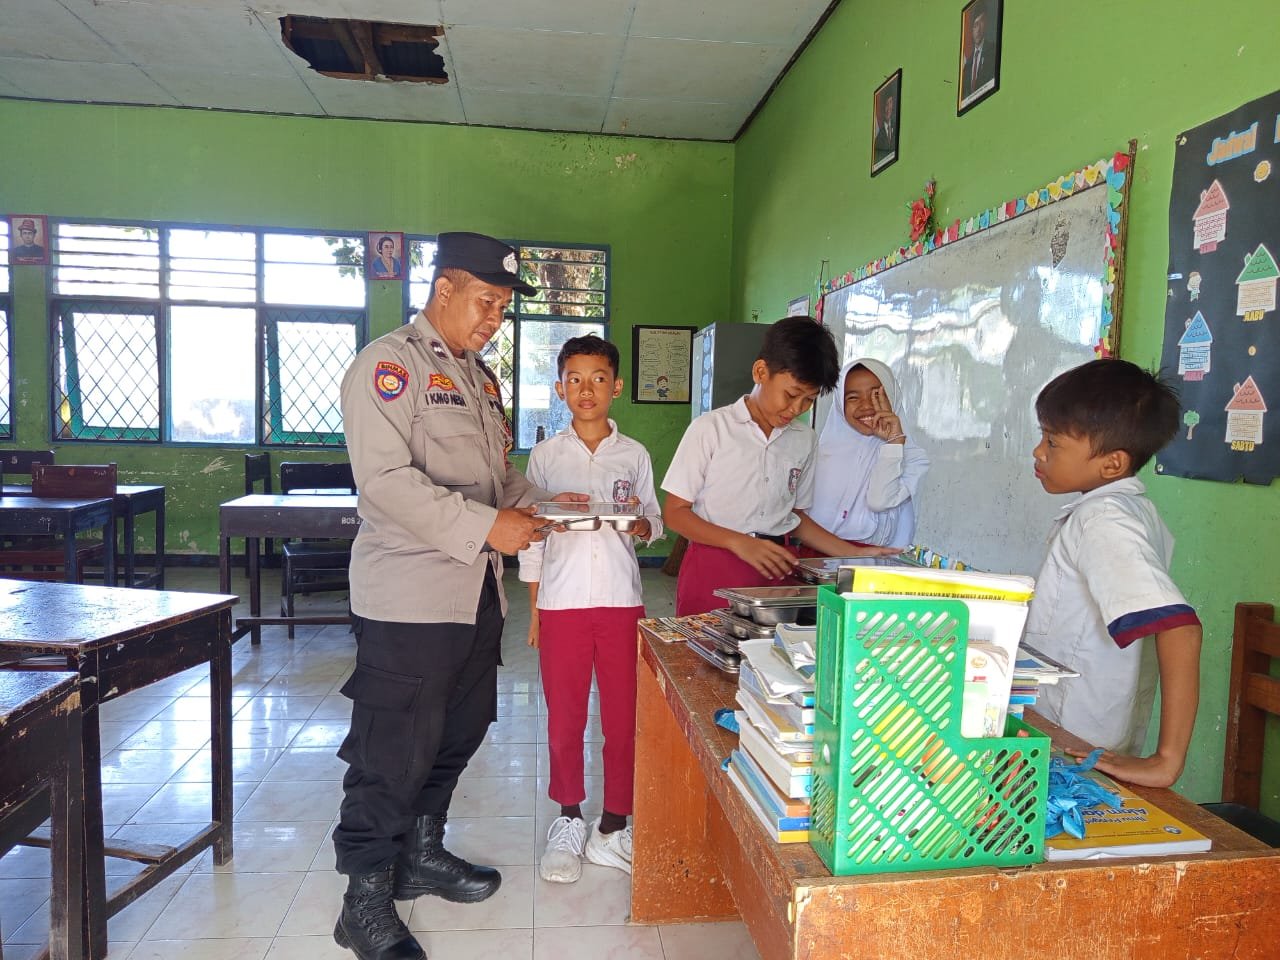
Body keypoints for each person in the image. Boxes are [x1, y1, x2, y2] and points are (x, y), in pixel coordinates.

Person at [332, 231, 585, 960]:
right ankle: (365, 900)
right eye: (486, 302)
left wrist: (543, 500)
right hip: (408, 598)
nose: (493, 320)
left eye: (503, 308)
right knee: (392, 751)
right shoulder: (389, 367)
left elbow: (495, 478)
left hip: (474, 594)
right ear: (443, 287)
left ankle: (420, 853)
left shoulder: (479, 380)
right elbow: (384, 484)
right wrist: (488, 526)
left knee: (459, 728)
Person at [518, 334, 662, 883]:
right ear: (559, 388)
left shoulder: (635, 455)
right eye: (574, 379)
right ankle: (569, 818)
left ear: (616, 387)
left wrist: (645, 524)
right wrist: (533, 611)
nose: (586, 390)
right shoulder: (547, 456)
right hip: (562, 602)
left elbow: (653, 519)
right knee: (565, 717)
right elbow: (532, 536)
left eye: (598, 378)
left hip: (623, 602)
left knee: (624, 717)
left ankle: (615, 825)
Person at [1025, 358, 1202, 789]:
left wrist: (1167, 760)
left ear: (1111, 464)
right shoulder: (1121, 509)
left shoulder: (1104, 520)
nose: (1038, 452)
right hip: (1078, 733)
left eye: (1053, 442)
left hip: (1076, 744)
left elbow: (1180, 628)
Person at [661, 316, 900, 616]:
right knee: (706, 656)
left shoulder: (804, 440)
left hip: (777, 569)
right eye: (790, 395)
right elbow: (675, 513)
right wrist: (740, 543)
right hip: (714, 565)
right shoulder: (710, 429)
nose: (796, 409)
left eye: (808, 401)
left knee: (773, 655)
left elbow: (795, 517)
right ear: (761, 371)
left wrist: (853, 553)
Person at [809, 358, 929, 549]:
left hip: (876, 566)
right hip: (817, 561)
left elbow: (879, 501)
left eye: (876, 395)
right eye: (853, 398)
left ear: (893, 396)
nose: (866, 406)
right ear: (840, 404)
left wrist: (894, 443)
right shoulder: (817, 455)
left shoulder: (913, 460)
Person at [961, 2, 997, 102]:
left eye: (981, 22)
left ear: (985, 23)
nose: (978, 29)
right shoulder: (967, 64)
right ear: (971, 30)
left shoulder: (993, 50)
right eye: (975, 25)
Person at [873, 89, 897, 162]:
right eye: (886, 104)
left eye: (890, 103)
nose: (888, 108)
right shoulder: (878, 136)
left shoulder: (896, 127)